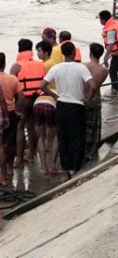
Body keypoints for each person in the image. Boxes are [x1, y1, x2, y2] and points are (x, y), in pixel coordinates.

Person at [40, 42, 96, 179]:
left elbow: (42, 85)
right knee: (76, 138)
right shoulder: (81, 68)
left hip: (61, 106)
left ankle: (65, 170)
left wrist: (55, 95)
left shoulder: (56, 68)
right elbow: (93, 85)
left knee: (63, 137)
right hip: (77, 106)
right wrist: (88, 99)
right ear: (74, 53)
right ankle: (75, 169)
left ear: (63, 54)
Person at [10, 39, 46, 166]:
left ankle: (19, 159)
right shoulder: (40, 64)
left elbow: (12, 86)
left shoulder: (16, 66)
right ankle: (31, 154)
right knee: (32, 127)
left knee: (20, 128)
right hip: (37, 99)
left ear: (19, 49)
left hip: (22, 100)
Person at [0, 52, 24, 177]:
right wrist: (18, 110)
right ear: (5, 64)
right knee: (10, 142)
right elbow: (21, 97)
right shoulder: (13, 79)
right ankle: (9, 168)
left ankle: (3, 168)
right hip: (10, 113)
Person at [33, 40, 58, 174]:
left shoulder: (45, 65)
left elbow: (41, 85)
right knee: (54, 135)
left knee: (41, 137)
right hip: (52, 101)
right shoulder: (53, 63)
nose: (37, 53)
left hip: (41, 100)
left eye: (39, 51)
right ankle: (52, 166)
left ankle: (44, 168)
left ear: (46, 52)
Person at [83, 43, 109, 163]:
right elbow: (97, 85)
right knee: (94, 126)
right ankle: (91, 152)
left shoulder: (83, 66)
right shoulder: (104, 70)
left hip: (83, 97)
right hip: (95, 98)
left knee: (82, 125)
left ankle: (82, 150)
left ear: (90, 53)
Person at [100, 10, 118, 97]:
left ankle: (114, 91)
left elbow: (111, 44)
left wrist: (105, 57)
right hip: (116, 53)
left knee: (112, 71)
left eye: (100, 19)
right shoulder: (115, 23)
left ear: (103, 20)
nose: (99, 21)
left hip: (117, 54)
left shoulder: (110, 29)